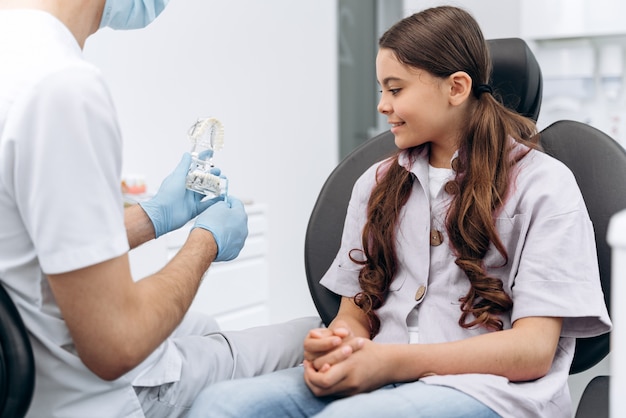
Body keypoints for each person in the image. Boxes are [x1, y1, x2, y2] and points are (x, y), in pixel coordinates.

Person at [188, 6, 612, 418]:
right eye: (381, 91)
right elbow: (354, 313)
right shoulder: (377, 183)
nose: (382, 105)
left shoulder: (544, 186)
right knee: (220, 405)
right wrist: (341, 346)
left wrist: (389, 363)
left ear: (457, 88)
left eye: (396, 89)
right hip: (380, 376)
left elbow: (533, 352)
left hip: (489, 390)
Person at [0, 1, 320, 417]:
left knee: (204, 327)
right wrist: (206, 241)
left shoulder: (15, 56)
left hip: (26, 363)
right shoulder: (61, 87)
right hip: (95, 396)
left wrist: (153, 215)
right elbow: (118, 344)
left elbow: (29, 240)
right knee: (310, 333)